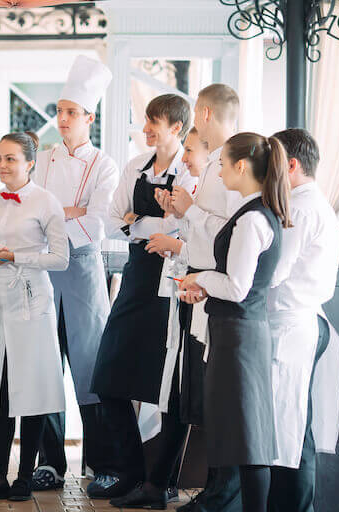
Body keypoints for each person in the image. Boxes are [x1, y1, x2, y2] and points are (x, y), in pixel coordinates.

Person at [89, 93, 198, 500]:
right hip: (136, 279)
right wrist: (154, 226)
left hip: (171, 287)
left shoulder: (189, 173)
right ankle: (130, 471)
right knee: (108, 378)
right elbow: (111, 217)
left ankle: (161, 481)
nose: (146, 129)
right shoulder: (135, 166)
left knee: (167, 388)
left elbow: (186, 231)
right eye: (145, 120)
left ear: (176, 128)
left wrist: (145, 224)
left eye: (154, 122)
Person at [179, 132, 292, 512]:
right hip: (239, 334)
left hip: (239, 338)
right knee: (244, 436)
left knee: (249, 439)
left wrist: (200, 280)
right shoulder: (260, 213)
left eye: (224, 164)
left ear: (241, 167)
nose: (221, 171)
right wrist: (206, 288)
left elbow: (239, 287)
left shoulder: (251, 220)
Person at [30, 55, 121, 495]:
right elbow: (29, 208)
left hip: (83, 274)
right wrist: (70, 212)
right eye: (60, 111)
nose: (62, 119)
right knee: (46, 367)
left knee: (90, 370)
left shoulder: (104, 165)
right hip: (44, 274)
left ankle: (102, 463)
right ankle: (49, 463)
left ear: (90, 117)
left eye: (71, 113)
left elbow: (99, 222)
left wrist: (55, 219)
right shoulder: (41, 159)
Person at [0, 132, 69, 503]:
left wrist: (16, 257)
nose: (2, 166)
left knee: (32, 386)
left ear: (29, 163)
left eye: (10, 159)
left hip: (30, 299)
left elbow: (60, 258)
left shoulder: (46, 202)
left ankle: (25, 476)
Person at [111, 127, 211, 509]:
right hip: (175, 292)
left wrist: (173, 239)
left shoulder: (208, 195)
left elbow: (208, 246)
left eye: (190, 150)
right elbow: (113, 218)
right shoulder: (189, 192)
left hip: (194, 299)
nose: (185, 159)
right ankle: (152, 482)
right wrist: (169, 220)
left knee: (181, 395)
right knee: (171, 392)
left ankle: (164, 484)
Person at [164, 84, 244, 512]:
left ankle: (223, 493)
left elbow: (229, 229)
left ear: (206, 113)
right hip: (202, 284)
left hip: (221, 290)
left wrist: (191, 208)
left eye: (197, 112)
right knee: (207, 394)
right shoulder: (214, 162)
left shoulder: (233, 163)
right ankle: (215, 489)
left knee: (220, 398)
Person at [266, 129, 339, 512]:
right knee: (291, 424)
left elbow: (274, 271)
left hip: (293, 325)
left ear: (291, 166)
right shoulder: (308, 203)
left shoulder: (301, 207)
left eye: (272, 164)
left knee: (289, 429)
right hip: (299, 321)